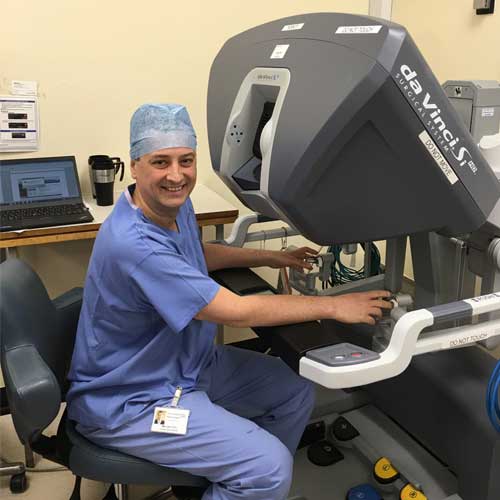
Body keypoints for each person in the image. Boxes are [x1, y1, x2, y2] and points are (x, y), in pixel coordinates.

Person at [67, 103, 392, 500]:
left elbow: (195, 254)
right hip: (132, 399)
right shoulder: (134, 245)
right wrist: (334, 305)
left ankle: (248, 485)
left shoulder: (171, 205)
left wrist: (273, 256)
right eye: (160, 162)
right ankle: (260, 476)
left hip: (185, 364)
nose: (176, 175)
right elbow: (234, 310)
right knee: (268, 465)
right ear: (134, 166)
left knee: (295, 391)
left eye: (186, 160)